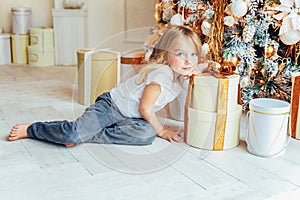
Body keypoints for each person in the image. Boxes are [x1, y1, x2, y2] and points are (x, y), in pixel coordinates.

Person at [7, 25, 207, 146]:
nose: (188, 61)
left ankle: (89, 135)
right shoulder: (162, 75)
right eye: (180, 54)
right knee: (73, 133)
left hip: (132, 118)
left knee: (145, 135)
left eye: (193, 54)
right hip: (111, 107)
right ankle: (33, 129)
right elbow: (144, 108)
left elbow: (205, 66)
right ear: (166, 54)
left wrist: (207, 67)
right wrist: (162, 131)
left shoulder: (182, 73)